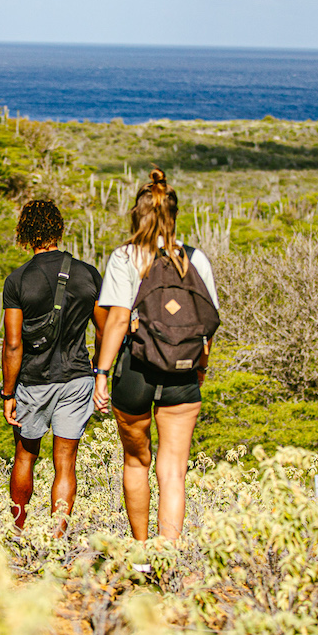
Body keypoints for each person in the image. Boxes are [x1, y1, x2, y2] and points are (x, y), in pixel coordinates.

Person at [92, 168, 220, 543]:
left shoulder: (125, 257)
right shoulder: (196, 259)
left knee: (136, 461)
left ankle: (142, 553)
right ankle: (170, 556)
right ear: (174, 216)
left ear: (137, 215)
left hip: (135, 370)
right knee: (173, 471)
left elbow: (116, 319)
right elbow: (206, 323)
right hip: (183, 371)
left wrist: (102, 373)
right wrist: (200, 369)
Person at [1, 199, 106, 534]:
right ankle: (57, 537)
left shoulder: (18, 281)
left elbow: (13, 344)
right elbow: (104, 328)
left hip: (32, 382)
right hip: (77, 378)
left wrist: (7, 392)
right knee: (65, 463)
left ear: (25, 234)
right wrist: (97, 366)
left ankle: (19, 531)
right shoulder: (88, 274)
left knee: (25, 457)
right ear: (59, 230)